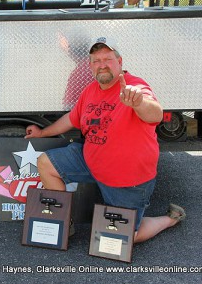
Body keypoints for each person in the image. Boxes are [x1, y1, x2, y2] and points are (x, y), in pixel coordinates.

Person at [25, 37, 186, 243]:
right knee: (46, 162)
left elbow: (154, 114)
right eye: (96, 60)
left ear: (119, 62)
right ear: (90, 65)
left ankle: (168, 219)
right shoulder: (90, 90)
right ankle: (63, 223)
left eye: (107, 59)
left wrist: (138, 103)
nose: (102, 65)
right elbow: (71, 118)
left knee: (125, 238)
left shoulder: (135, 87)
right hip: (92, 161)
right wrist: (42, 133)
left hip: (126, 179)